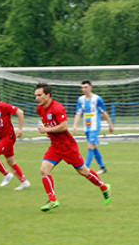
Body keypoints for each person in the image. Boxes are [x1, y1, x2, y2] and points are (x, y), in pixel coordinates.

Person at [34, 83, 112, 211]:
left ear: (48, 95)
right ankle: (52, 200)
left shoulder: (57, 107)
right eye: (36, 96)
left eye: (40, 95)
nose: (37, 98)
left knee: (83, 171)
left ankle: (103, 187)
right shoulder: (39, 109)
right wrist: (49, 132)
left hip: (67, 146)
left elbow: (64, 126)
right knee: (44, 170)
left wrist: (47, 129)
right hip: (55, 146)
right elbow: (51, 124)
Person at [72, 80, 114, 174]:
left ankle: (85, 168)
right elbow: (78, 113)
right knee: (93, 146)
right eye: (82, 87)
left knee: (90, 145)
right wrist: (74, 125)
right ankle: (102, 167)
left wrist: (110, 124)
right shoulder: (80, 100)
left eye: (86, 87)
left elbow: (104, 112)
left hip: (95, 126)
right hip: (86, 126)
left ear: (91, 87)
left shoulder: (97, 99)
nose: (84, 89)